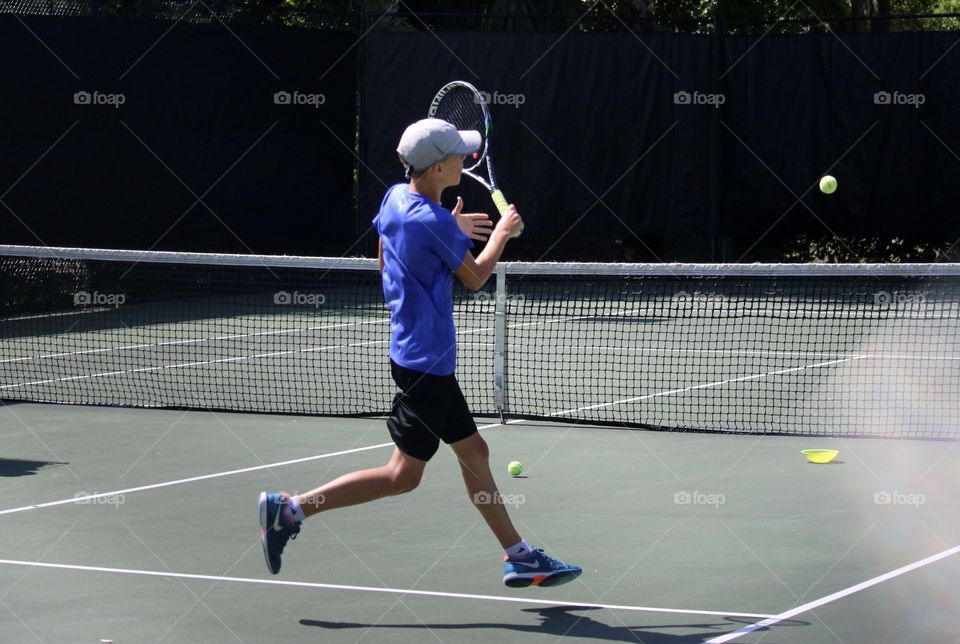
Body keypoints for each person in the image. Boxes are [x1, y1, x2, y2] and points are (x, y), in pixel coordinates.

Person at [259, 118, 581, 588]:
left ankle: (519, 555)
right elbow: (474, 278)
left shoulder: (397, 198)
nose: (467, 160)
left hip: (418, 356)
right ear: (438, 168)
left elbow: (387, 251)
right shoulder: (430, 222)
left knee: (475, 450)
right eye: (458, 155)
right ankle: (291, 510)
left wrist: (445, 230)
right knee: (402, 476)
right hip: (426, 365)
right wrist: (502, 234)